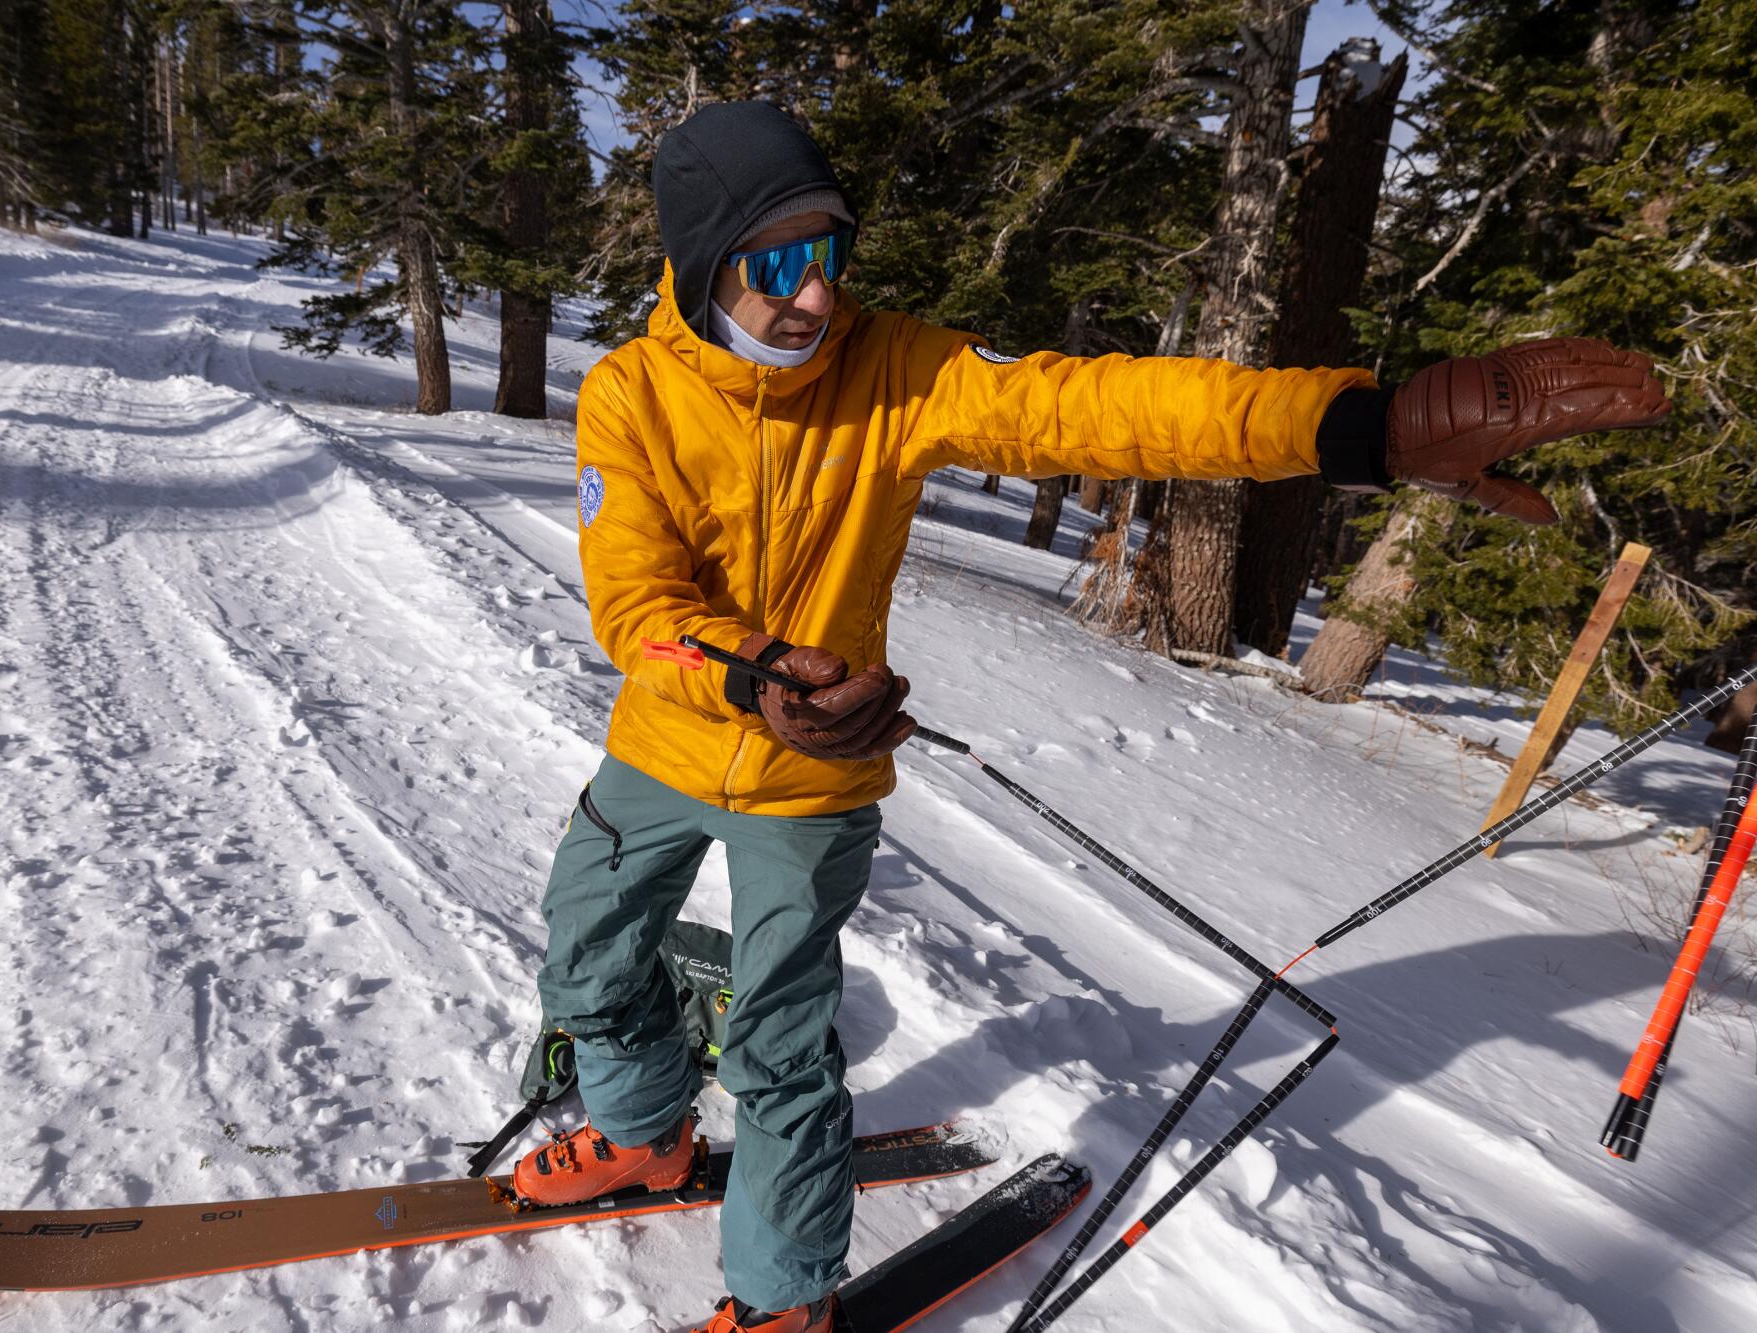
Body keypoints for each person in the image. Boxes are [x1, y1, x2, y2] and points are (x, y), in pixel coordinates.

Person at [513, 101, 1670, 1333]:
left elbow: (1102, 405)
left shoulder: (897, 370)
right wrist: (750, 672)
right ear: (702, 263)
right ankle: (639, 1132)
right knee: (587, 939)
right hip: (670, 736)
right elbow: (636, 602)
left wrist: (1351, 425)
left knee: (781, 1046)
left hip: (816, 772)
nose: (814, 295)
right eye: (777, 262)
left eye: (831, 253)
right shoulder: (630, 395)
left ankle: (783, 1301)